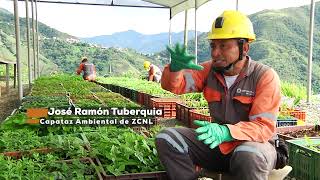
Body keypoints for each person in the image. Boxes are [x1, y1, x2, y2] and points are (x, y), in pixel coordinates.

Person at [155, 10, 285, 180]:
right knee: (167, 138)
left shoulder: (264, 76)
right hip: (220, 146)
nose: (215, 53)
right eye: (213, 46)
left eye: (223, 46)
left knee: (247, 154)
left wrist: (226, 131)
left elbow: (263, 127)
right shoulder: (209, 70)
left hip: (256, 146)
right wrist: (175, 70)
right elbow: (176, 86)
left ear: (244, 48)